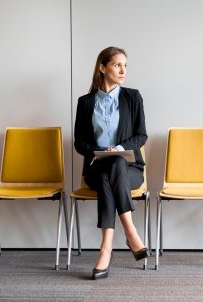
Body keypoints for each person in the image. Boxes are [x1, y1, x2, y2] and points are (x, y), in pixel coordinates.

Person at [74, 46, 149, 280]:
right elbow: (80, 142)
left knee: (115, 164)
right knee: (109, 169)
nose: (123, 70)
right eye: (117, 65)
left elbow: (141, 135)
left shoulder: (133, 97)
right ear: (102, 67)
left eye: (125, 65)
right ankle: (130, 231)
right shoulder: (85, 102)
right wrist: (97, 151)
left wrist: (117, 149)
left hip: (130, 169)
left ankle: (106, 248)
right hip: (97, 168)